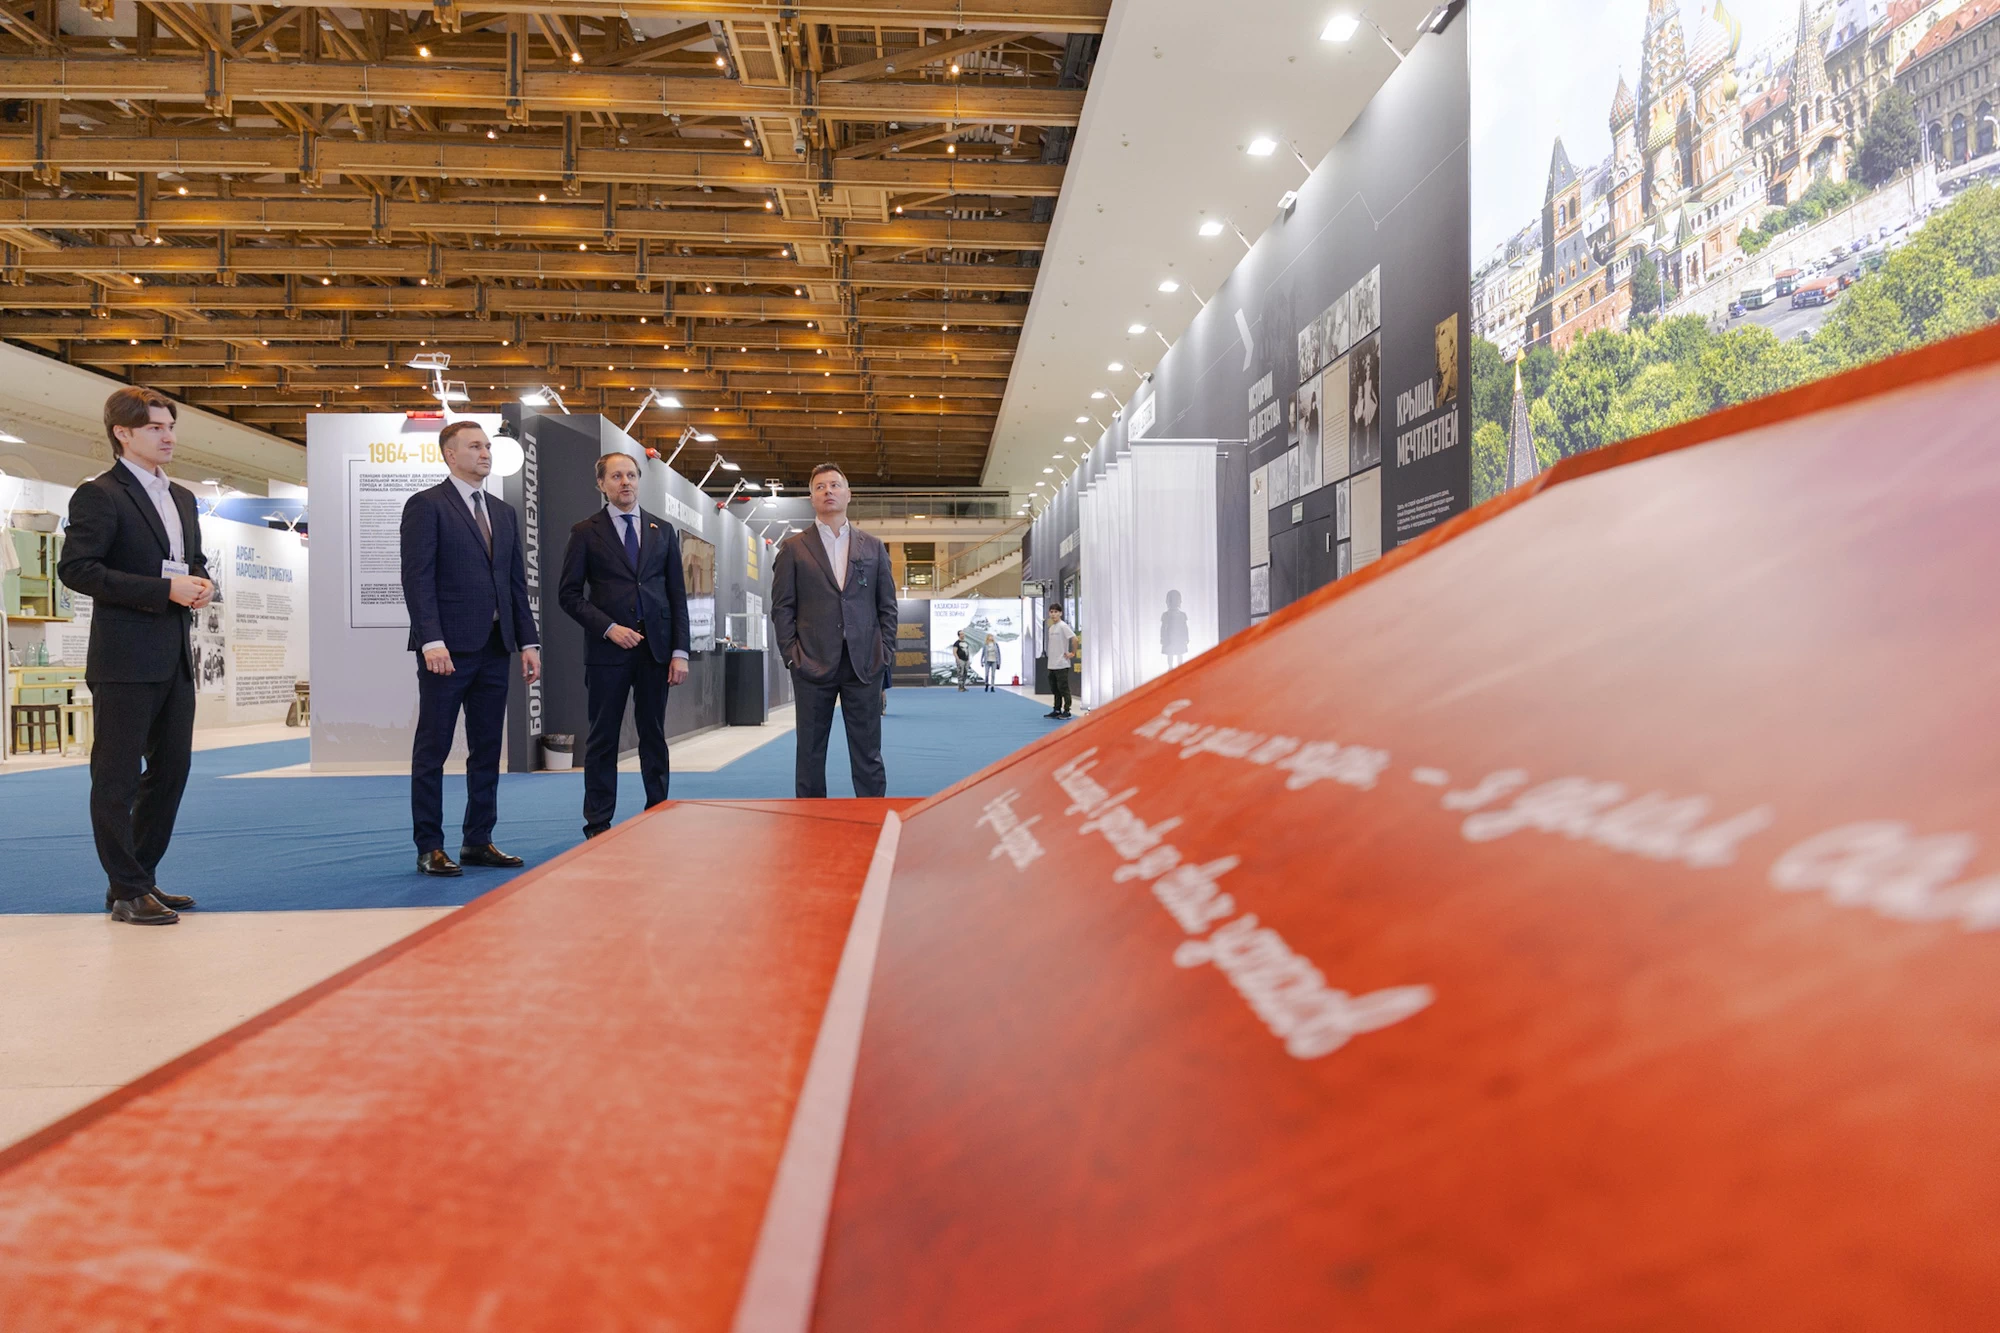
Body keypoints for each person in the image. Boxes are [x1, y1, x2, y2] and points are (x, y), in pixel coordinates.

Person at [55, 387, 213, 925]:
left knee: (171, 771)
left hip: (176, 656)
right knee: (116, 777)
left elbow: (192, 558)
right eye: (154, 428)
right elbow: (77, 569)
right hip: (123, 658)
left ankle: (137, 878)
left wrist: (202, 582)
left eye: (170, 427)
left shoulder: (183, 497)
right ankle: (127, 888)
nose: (168, 437)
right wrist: (162, 590)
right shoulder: (100, 494)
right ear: (122, 433)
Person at [400, 420, 541, 876]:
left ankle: (478, 840)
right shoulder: (426, 506)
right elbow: (417, 579)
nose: (485, 453)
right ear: (449, 454)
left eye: (487, 446)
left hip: (495, 648)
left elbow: (516, 584)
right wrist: (431, 640)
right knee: (433, 749)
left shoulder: (502, 512)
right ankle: (430, 846)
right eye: (475, 446)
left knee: (486, 749)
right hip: (446, 652)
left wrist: (528, 641)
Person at [557, 450, 690, 840]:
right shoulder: (585, 532)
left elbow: (677, 596)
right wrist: (609, 628)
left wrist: (680, 652)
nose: (626, 482)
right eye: (616, 476)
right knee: (603, 738)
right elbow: (569, 595)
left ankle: (658, 810)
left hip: (655, 651)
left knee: (654, 735)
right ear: (601, 484)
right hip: (607, 653)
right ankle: (598, 824)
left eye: (631, 475)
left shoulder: (662, 530)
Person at [771, 462, 896, 798]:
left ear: (848, 494)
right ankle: (810, 818)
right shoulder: (793, 549)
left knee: (868, 752)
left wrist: (884, 652)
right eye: (820, 487)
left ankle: (872, 815)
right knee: (810, 753)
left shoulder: (873, 547)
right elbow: (782, 608)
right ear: (811, 498)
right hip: (811, 664)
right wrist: (792, 656)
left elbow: (887, 606)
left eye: (835, 485)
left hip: (864, 664)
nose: (828, 491)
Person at [1045, 603, 1075, 720]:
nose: (1053, 614)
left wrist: (1072, 653)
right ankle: (1057, 709)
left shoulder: (1063, 626)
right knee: (1055, 689)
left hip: (1062, 663)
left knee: (1063, 688)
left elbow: (1074, 639)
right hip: (1052, 664)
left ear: (1060, 613)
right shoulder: (1051, 628)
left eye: (1056, 612)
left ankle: (1067, 710)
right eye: (1051, 612)